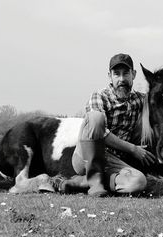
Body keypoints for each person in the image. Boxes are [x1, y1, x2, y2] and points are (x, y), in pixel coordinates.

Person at [59, 53, 156, 197]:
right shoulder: (99, 96)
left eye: (126, 74)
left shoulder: (140, 100)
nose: (121, 79)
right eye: (116, 74)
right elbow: (101, 132)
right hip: (86, 156)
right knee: (95, 117)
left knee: (139, 182)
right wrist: (133, 149)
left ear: (134, 75)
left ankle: (81, 182)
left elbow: (161, 103)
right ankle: (95, 183)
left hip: (112, 161)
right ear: (110, 76)